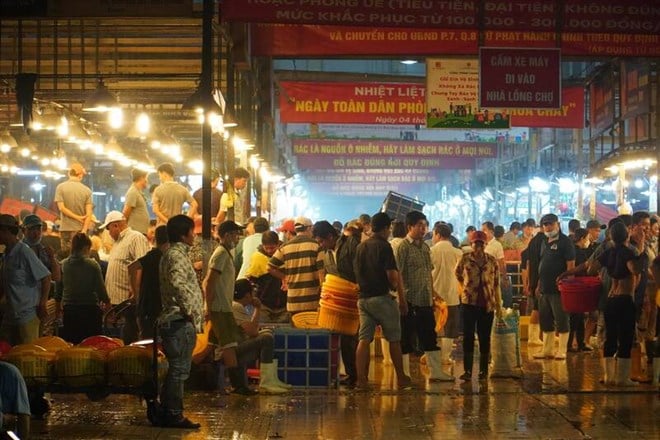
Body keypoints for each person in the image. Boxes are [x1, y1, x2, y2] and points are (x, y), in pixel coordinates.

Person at [354, 212, 412, 390]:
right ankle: (401, 378)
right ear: (386, 228)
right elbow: (392, 275)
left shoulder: (361, 247)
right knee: (394, 339)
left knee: (364, 339)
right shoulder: (384, 246)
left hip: (363, 299)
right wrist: (398, 294)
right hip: (382, 298)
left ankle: (361, 381)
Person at [157, 215, 203, 429]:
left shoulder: (170, 254)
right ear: (184, 234)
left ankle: (168, 411)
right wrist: (189, 310)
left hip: (173, 320)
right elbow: (177, 283)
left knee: (175, 369)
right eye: (192, 232)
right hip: (178, 321)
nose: (194, 235)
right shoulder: (177, 255)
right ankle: (174, 414)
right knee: (179, 370)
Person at [396, 211, 453, 382]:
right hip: (410, 300)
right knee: (406, 339)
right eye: (419, 225)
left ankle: (436, 373)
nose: (423, 229)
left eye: (425, 225)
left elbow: (428, 272)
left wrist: (433, 294)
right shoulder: (403, 247)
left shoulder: (426, 247)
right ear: (410, 227)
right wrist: (401, 300)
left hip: (426, 300)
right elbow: (398, 274)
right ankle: (405, 375)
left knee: (429, 336)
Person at [588, 221, 642, 386]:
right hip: (625, 299)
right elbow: (635, 270)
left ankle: (609, 376)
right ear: (627, 235)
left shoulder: (608, 252)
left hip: (610, 299)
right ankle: (622, 378)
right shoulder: (629, 253)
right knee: (625, 338)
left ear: (610, 236)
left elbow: (591, 268)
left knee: (610, 338)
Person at [312, 220, 360, 387]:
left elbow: (358, 268)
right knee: (344, 339)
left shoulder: (349, 245)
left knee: (354, 338)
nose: (320, 245)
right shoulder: (326, 254)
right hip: (338, 301)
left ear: (331, 236)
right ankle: (351, 374)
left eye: (321, 241)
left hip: (354, 297)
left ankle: (357, 375)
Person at [455, 230, 503, 380]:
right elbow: (458, 275)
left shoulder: (492, 261)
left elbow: (496, 284)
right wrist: (466, 290)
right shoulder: (465, 259)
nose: (478, 247)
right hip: (469, 303)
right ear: (471, 244)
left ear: (485, 244)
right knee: (468, 336)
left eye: (481, 244)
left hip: (487, 304)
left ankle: (483, 371)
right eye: (476, 243)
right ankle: (468, 371)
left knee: (484, 337)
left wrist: (499, 306)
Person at [203, 220, 245, 392]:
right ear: (227, 235)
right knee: (229, 345)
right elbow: (209, 282)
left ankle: (197, 374)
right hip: (220, 308)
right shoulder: (220, 254)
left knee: (210, 346)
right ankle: (238, 386)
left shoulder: (225, 253)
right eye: (235, 234)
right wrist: (208, 307)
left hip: (221, 306)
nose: (237, 238)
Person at [231, 279, 291, 394]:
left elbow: (251, 331)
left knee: (267, 333)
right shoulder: (236, 306)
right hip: (233, 350)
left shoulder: (236, 306)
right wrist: (258, 309)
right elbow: (253, 331)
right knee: (266, 338)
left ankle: (271, 380)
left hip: (237, 346)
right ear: (248, 295)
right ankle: (267, 382)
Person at [0, 214, 51, 346]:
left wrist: (42, 304)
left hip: (26, 317)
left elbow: (46, 277)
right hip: (10, 317)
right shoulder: (6, 254)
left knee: (27, 358)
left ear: (6, 232)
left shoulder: (24, 252)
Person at [101, 211, 151, 344]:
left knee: (130, 338)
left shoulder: (136, 238)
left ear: (115, 225)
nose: (108, 232)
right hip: (118, 301)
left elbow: (142, 266)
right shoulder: (118, 242)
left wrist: (135, 292)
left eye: (108, 228)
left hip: (129, 301)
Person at [533, 213, 575, 360]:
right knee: (545, 320)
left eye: (550, 224)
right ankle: (547, 350)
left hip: (559, 289)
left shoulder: (565, 242)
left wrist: (567, 284)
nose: (548, 227)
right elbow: (541, 264)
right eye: (545, 224)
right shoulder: (544, 241)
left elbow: (571, 265)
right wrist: (539, 284)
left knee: (562, 318)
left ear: (558, 224)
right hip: (544, 288)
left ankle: (562, 350)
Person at [55, 232, 110, 343]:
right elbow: (101, 289)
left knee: (73, 344)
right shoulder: (92, 265)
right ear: (86, 248)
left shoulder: (63, 264)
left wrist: (58, 309)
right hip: (89, 310)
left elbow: (58, 290)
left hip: (70, 310)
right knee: (91, 344)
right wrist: (107, 304)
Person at [268, 217, 323, 314]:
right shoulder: (316, 246)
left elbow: (270, 267)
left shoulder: (285, 247)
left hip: (293, 302)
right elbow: (321, 273)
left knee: (295, 328)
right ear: (309, 228)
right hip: (312, 302)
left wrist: (284, 278)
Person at [430, 222, 463, 366]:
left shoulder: (430, 251)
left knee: (433, 326)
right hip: (451, 294)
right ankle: (445, 357)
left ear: (437, 234)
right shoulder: (458, 253)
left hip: (434, 294)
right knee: (450, 327)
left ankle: (432, 358)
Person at [128, 225, 169, 339]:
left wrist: (136, 293)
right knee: (153, 341)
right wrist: (136, 293)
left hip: (147, 306)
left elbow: (131, 268)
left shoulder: (152, 255)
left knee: (148, 339)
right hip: (153, 306)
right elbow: (131, 267)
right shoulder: (157, 256)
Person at [244, 231, 287, 323]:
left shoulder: (286, 256)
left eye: (272, 248)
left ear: (278, 244)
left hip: (284, 305)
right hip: (264, 305)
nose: (269, 251)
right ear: (262, 245)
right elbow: (251, 281)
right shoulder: (257, 258)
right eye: (266, 248)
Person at [54, 162, 93, 255]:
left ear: (69, 174)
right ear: (80, 175)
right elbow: (89, 214)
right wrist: (83, 230)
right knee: (80, 257)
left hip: (65, 229)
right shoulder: (87, 190)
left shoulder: (60, 187)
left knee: (66, 257)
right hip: (80, 230)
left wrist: (75, 217)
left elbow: (61, 208)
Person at [567, 228, 593, 353]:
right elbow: (585, 269)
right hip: (579, 286)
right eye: (587, 238)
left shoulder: (571, 250)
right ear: (582, 238)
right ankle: (572, 344)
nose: (588, 241)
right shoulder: (580, 252)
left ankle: (579, 343)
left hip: (572, 286)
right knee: (576, 316)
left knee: (578, 315)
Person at [21, 214, 61, 283]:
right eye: (32, 229)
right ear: (23, 230)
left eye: (38, 229)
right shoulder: (18, 250)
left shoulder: (43, 251)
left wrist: (52, 258)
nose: (36, 233)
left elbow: (56, 277)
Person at [0, 361, 31, 439]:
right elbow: (23, 414)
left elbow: (23, 415)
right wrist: (4, 419)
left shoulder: (8, 371)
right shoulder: (9, 371)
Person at [122, 168, 151, 235]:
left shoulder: (138, 192)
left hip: (140, 231)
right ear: (141, 178)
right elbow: (126, 212)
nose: (147, 181)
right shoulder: (133, 192)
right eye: (146, 178)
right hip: (135, 232)